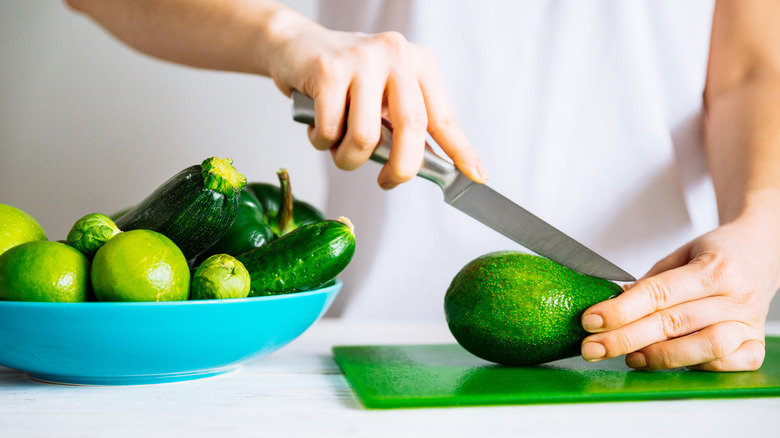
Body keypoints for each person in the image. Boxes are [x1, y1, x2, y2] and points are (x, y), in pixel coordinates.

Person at [64, 0, 780, 372]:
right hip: (357, 360)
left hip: (673, 331)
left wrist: (761, 229)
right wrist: (280, 35)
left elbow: (755, 66)